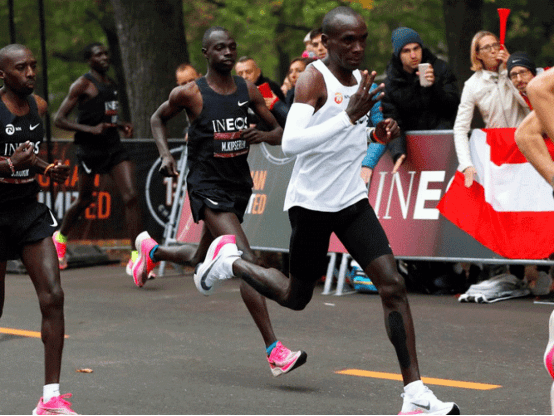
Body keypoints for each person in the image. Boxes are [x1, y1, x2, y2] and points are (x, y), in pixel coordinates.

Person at [191, 8, 459, 415]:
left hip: (350, 201)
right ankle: (233, 264)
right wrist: (350, 116)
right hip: (312, 205)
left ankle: (415, 394)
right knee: (294, 297)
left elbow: (349, 134)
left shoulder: (361, 81)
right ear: (328, 42)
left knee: (393, 285)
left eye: (362, 39)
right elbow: (294, 142)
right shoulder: (313, 78)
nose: (357, 48)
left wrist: (375, 132)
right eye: (347, 40)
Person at [139, 26, 307, 377]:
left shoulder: (248, 89)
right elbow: (157, 118)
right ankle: (274, 351)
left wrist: (262, 135)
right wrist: (166, 154)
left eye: (232, 47)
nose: (228, 53)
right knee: (245, 260)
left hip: (238, 185)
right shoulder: (190, 93)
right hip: (206, 185)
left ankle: (152, 253)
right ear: (206, 53)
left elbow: (280, 132)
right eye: (220, 48)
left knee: (201, 256)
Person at [0, 44, 76, 414]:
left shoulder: (39, 107)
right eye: (21, 68)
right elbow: (13, 158)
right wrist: (10, 165)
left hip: (29, 212)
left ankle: (50, 399)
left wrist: (46, 168)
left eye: (33, 65)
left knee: (53, 296)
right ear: (3, 75)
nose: (30, 72)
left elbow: (28, 153)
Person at [52, 42, 141, 275]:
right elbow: (59, 119)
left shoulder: (110, 84)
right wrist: (90, 130)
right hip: (90, 150)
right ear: (89, 60)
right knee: (84, 200)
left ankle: (135, 257)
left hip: (113, 147)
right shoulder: (82, 84)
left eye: (106, 53)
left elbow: (105, 115)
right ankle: (60, 237)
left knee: (131, 196)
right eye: (98, 54)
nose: (104, 57)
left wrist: (119, 124)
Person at [380, 27, 460, 182]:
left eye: (416, 48)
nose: (413, 55)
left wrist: (434, 86)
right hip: (412, 153)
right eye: (406, 51)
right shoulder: (391, 83)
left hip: (444, 148)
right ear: (398, 54)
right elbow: (393, 121)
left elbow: (454, 107)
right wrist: (398, 152)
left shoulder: (440, 69)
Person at [453, 30, 529, 188]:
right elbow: (460, 128)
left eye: (496, 45)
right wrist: (466, 164)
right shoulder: (472, 84)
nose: (494, 50)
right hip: (499, 153)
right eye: (487, 47)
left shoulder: (517, 73)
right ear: (478, 54)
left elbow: (527, 103)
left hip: (526, 144)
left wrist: (510, 71)